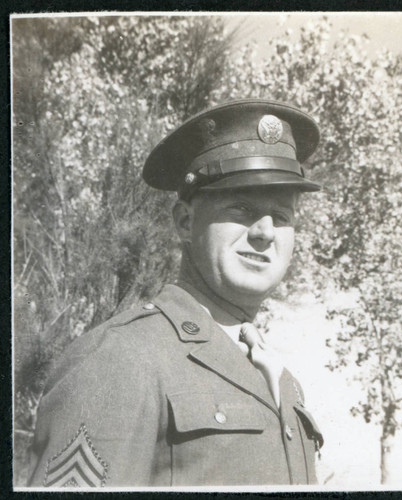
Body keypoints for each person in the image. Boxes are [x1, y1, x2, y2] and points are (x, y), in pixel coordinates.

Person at [27, 99, 324, 488]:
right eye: (241, 207)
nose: (265, 232)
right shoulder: (120, 359)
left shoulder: (284, 383)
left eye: (282, 216)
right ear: (185, 222)